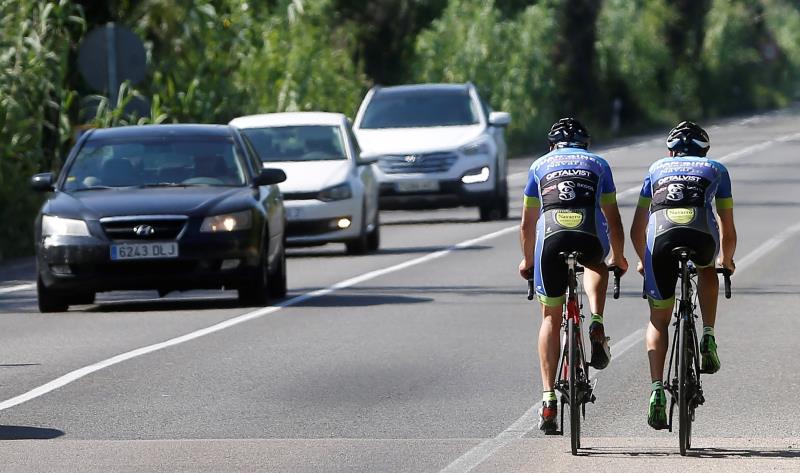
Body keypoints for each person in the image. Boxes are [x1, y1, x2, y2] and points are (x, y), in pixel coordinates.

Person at [519, 117, 628, 433]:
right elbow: (614, 219)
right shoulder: (599, 164)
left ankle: (548, 400)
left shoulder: (539, 166)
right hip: (588, 237)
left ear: (552, 145)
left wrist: (527, 261)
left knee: (550, 318)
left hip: (550, 240)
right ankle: (596, 321)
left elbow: (527, 224)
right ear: (585, 144)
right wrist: (617, 257)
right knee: (597, 264)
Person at [629, 121, 737, 430]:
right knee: (707, 269)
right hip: (701, 238)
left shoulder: (656, 168)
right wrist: (725, 260)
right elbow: (727, 227)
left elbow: (638, 227)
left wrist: (643, 261)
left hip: (660, 243)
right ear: (705, 151)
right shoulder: (716, 168)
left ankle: (655, 392)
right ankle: (708, 335)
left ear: (670, 151)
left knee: (658, 320)